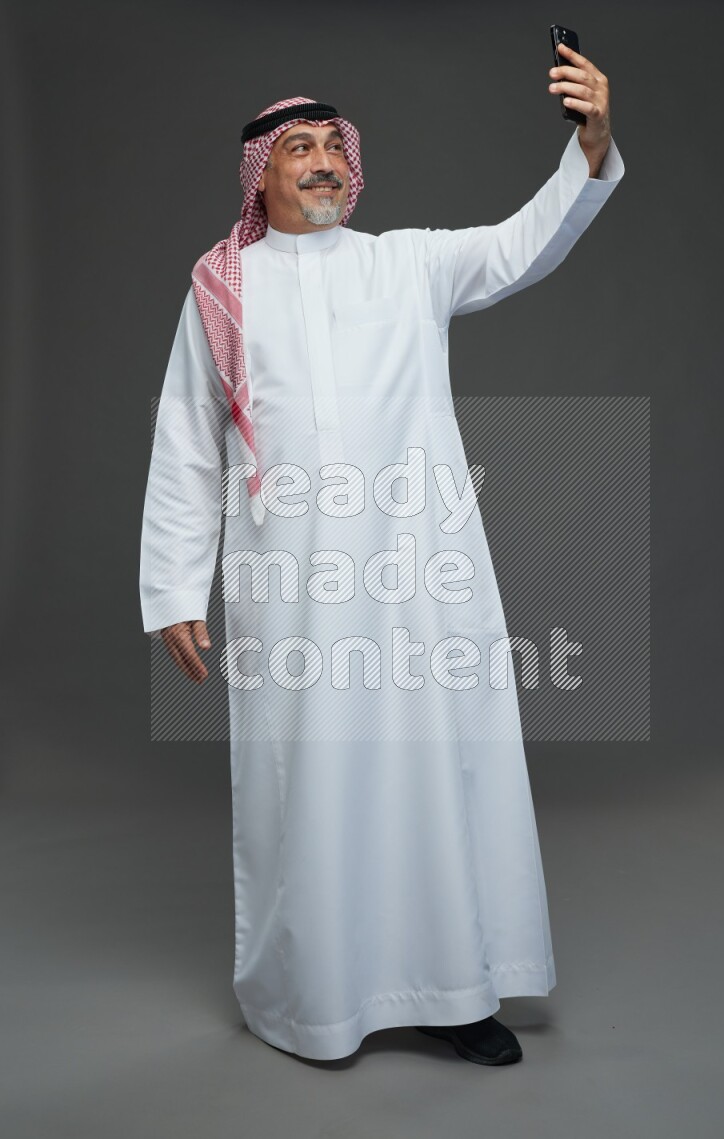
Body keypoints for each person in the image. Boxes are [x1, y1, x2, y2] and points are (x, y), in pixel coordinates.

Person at [140, 46, 624, 1066]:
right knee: (310, 784)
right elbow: (188, 440)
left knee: (431, 770)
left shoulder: (405, 262)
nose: (318, 163)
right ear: (258, 175)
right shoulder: (220, 290)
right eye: (295, 149)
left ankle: (454, 991)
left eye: (331, 147)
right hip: (291, 591)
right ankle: (315, 999)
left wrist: (589, 143)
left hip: (416, 577)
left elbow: (519, 244)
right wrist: (174, 588)